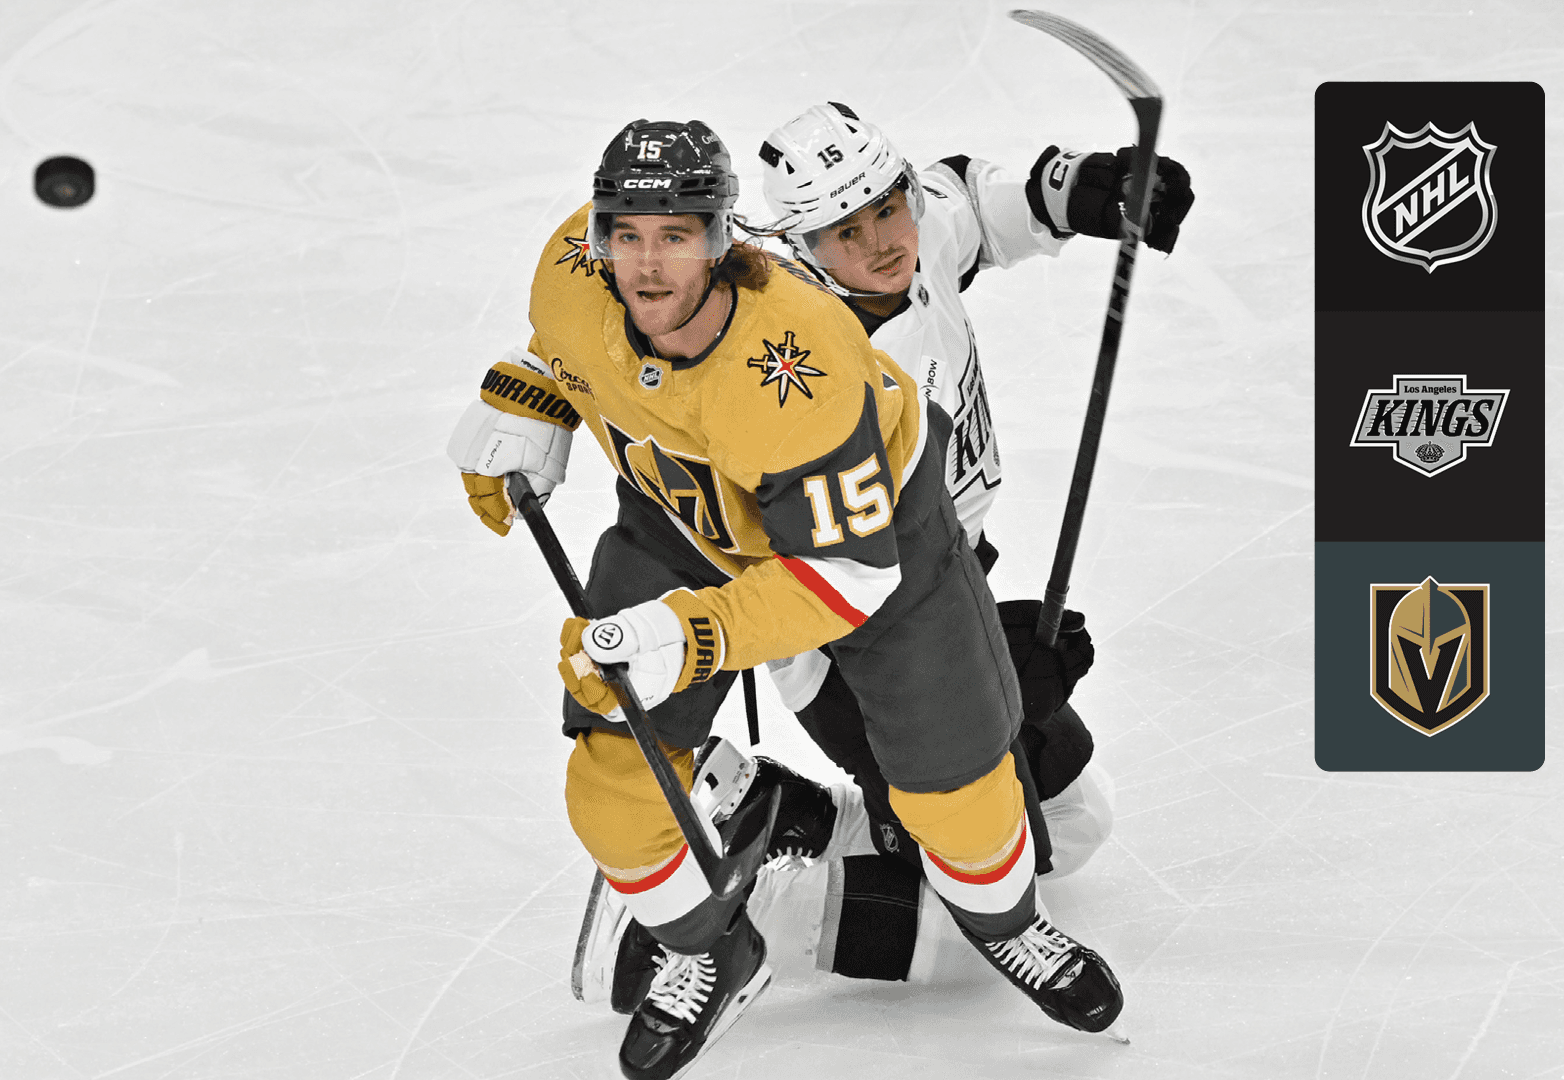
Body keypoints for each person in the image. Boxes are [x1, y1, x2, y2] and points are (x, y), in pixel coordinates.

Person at [447, 117, 1123, 1080]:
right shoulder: (573, 269)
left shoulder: (804, 366)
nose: (648, 265)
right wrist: (533, 392)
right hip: (688, 527)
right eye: (628, 236)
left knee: (1012, 807)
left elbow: (847, 576)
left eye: (676, 236)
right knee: (609, 782)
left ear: (725, 240)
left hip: (873, 565)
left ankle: (844, 844)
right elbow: (573, 342)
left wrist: (1076, 187)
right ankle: (711, 935)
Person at [577, 103, 1192, 1015]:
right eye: (844, 233)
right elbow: (837, 572)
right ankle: (738, 900)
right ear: (794, 246)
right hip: (848, 632)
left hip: (940, 576)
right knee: (981, 858)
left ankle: (780, 812)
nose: (879, 243)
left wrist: (1086, 189)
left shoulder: (917, 227)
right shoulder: (812, 361)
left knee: (1075, 818)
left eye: (886, 210)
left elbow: (974, 203)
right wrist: (993, 678)